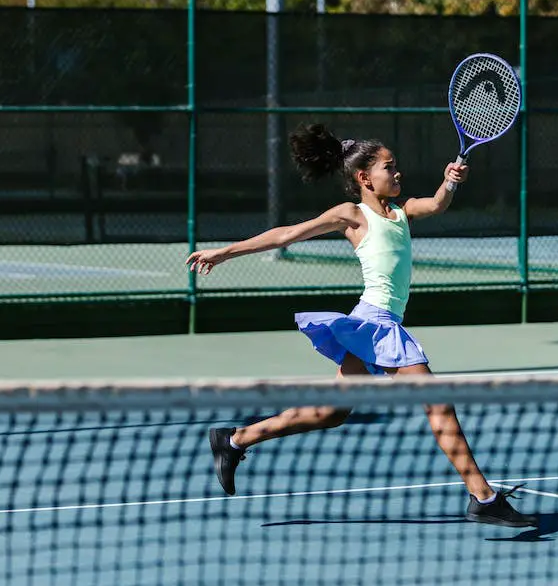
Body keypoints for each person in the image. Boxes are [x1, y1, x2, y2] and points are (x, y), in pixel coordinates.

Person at [186, 123, 537, 528]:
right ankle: (484, 497)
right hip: (376, 323)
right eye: (389, 167)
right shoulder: (352, 214)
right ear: (364, 177)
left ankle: (234, 439)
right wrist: (225, 252)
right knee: (437, 400)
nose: (397, 173)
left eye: (396, 166)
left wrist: (449, 181)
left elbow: (437, 204)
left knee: (329, 413)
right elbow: (287, 234)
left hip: (375, 324)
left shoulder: (402, 213)